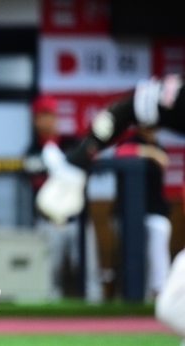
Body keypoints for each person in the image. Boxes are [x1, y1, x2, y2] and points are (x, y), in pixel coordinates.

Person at [32, 74, 185, 342]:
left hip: (157, 216)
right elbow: (130, 106)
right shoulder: (148, 130)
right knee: (171, 305)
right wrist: (82, 154)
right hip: (125, 217)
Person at [23, 94, 81, 299]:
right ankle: (47, 322)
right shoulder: (32, 150)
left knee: (85, 270)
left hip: (76, 220)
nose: (46, 120)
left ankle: (95, 318)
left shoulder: (71, 144)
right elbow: (34, 180)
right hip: (47, 220)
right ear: (35, 119)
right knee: (48, 274)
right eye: (42, 115)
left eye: (50, 114)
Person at [112, 125, 171, 299]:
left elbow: (164, 161)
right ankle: (131, 295)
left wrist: (154, 151)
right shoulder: (129, 143)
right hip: (126, 213)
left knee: (160, 230)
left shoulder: (159, 146)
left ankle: (160, 290)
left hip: (153, 211)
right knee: (132, 251)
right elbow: (120, 153)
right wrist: (148, 152)